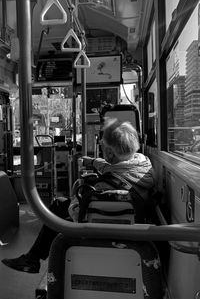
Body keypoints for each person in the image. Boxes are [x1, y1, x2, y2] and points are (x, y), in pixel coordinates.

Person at [1, 117, 155, 273]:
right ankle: (32, 258)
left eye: (103, 146)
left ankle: (33, 259)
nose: (101, 148)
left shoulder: (106, 185)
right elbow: (116, 166)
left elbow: (76, 213)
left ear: (109, 152)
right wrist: (94, 162)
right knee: (60, 203)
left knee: (59, 207)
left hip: (100, 226)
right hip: (127, 219)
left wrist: (78, 193)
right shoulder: (142, 164)